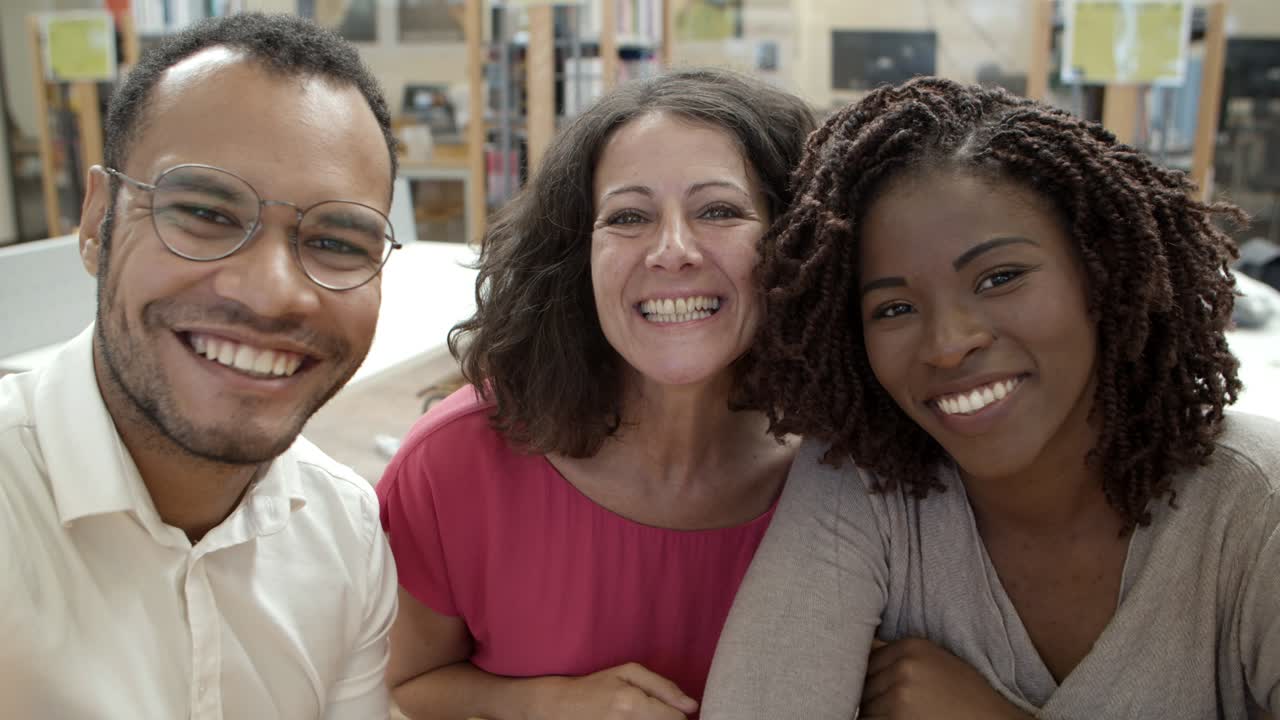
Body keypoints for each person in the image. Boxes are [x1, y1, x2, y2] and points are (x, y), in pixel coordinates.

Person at [702, 77, 1279, 719]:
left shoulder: (1256, 506)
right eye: (893, 307)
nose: (949, 345)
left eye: (1000, 277)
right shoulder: (863, 487)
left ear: (1101, 274)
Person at [378, 68, 815, 719]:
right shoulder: (454, 464)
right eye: (628, 216)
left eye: (719, 210)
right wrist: (541, 705)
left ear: (797, 242)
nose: (672, 250)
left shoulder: (853, 468)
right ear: (572, 257)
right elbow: (403, 689)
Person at [0, 13, 400, 718]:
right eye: (206, 214)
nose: (274, 292)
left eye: (337, 242)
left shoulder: (346, 532)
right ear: (97, 222)